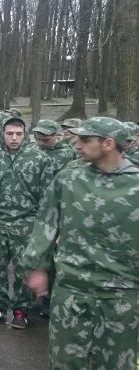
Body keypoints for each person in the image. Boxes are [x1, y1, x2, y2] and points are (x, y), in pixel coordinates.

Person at [23, 117, 139, 368]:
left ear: (109, 144)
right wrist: (37, 265)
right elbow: (46, 223)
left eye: (86, 140)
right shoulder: (69, 179)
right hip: (72, 290)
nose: (78, 144)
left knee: (116, 364)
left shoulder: (135, 184)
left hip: (121, 295)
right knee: (64, 362)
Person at [0, 116, 54, 330]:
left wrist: (46, 225)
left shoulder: (39, 160)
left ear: (25, 136)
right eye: (10, 134)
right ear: (3, 135)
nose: (14, 138)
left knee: (22, 269)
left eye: (18, 134)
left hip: (27, 223)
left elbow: (48, 196)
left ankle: (20, 308)